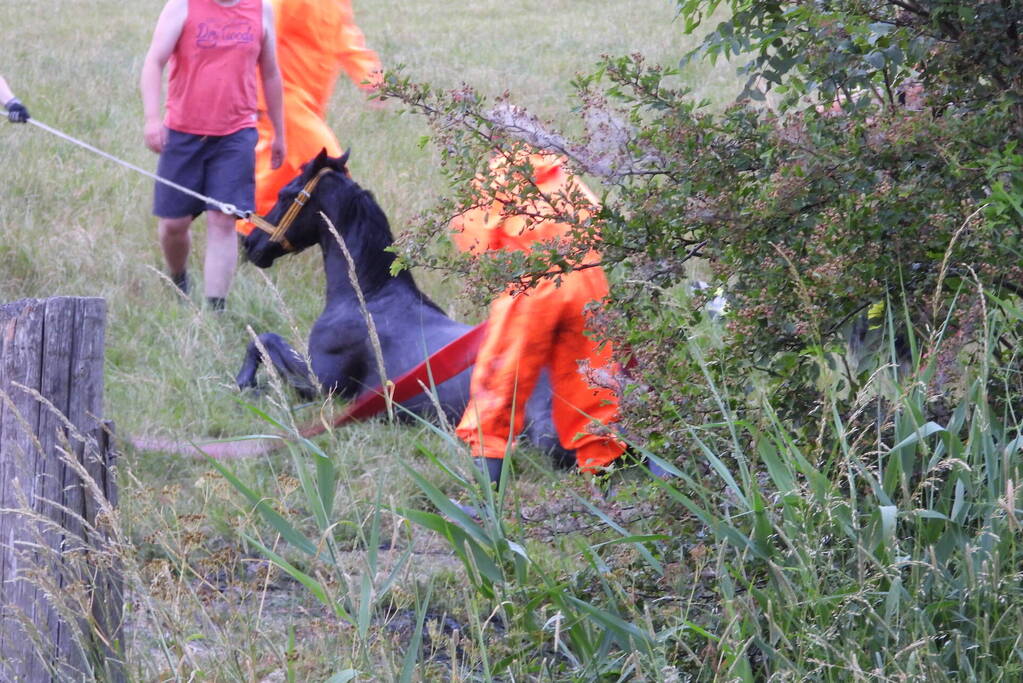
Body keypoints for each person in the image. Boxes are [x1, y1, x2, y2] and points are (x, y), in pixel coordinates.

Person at [451, 150, 627, 486]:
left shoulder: (497, 176)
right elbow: (599, 223)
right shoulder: (564, 175)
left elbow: (477, 243)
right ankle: (607, 496)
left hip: (533, 284)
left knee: (499, 385)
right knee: (592, 387)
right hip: (588, 281)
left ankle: (487, 499)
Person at [141, 0, 286, 310]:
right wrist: (153, 120)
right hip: (183, 133)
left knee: (223, 220)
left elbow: (271, 74)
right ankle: (179, 279)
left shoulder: (261, 9)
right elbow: (154, 62)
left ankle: (214, 310)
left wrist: (279, 133)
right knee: (173, 225)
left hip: (236, 134)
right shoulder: (182, 7)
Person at [243, 0, 382, 224]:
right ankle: (353, 238)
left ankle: (250, 231)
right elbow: (259, 39)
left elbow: (345, 36)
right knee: (330, 167)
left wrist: (372, 77)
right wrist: (257, 100)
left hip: (311, 106)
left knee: (279, 172)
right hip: (285, 102)